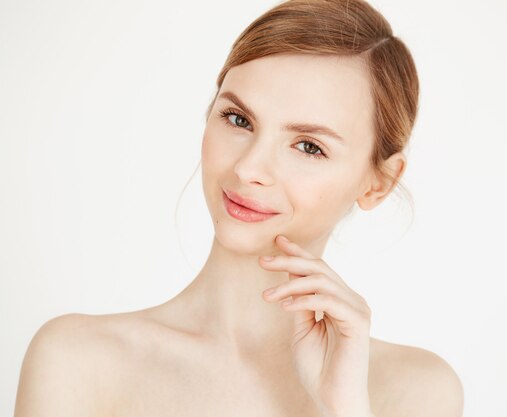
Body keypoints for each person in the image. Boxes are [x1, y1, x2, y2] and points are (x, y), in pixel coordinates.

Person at [14, 0, 463, 416]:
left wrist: (344, 406)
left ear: (379, 183)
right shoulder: (76, 360)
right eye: (238, 119)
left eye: (308, 146)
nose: (249, 167)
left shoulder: (416, 390)